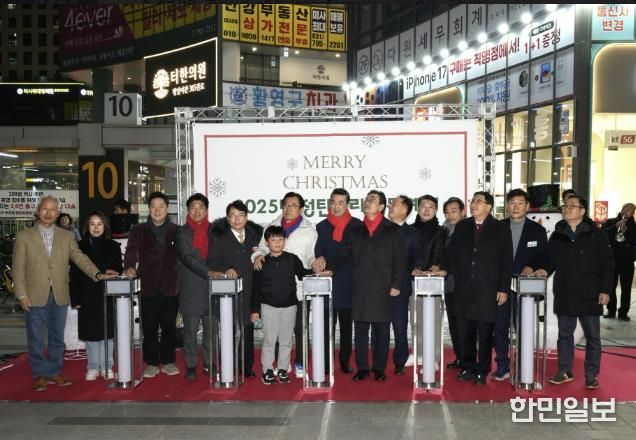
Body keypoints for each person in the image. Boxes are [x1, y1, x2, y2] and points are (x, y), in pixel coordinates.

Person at [12, 195, 116, 392]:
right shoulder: (24, 236)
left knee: (57, 337)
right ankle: (39, 374)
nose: (48, 213)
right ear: (38, 211)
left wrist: (97, 273)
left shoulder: (67, 236)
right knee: (36, 338)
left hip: (60, 294)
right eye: (45, 209)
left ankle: (54, 371)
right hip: (34, 295)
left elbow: (79, 258)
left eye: (53, 210)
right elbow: (18, 268)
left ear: (58, 213)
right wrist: (21, 294)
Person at [436, 191, 512, 385]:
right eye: (473, 201)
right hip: (463, 288)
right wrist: (442, 268)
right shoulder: (463, 226)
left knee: (485, 333)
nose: (473, 204)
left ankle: (482, 370)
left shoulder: (501, 229)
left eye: (479, 201)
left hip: (487, 289)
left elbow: (506, 261)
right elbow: (451, 253)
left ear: (489, 206)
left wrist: (503, 288)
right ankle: (467, 367)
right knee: (464, 332)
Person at [547, 195, 613, 390]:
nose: (566, 209)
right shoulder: (558, 234)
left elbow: (607, 264)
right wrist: (540, 270)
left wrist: (605, 290)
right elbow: (550, 261)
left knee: (593, 336)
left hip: (590, 292)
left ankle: (591, 375)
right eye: (565, 206)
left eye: (572, 206)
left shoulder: (596, 234)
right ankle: (564, 370)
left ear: (582, 211)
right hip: (565, 291)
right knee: (564, 335)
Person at [251, 192, 317, 378]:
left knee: (299, 330)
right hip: (271, 293)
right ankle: (277, 365)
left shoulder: (310, 230)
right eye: (286, 204)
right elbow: (260, 248)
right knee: (273, 335)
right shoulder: (271, 225)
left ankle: (300, 362)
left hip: (297, 290)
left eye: (294, 205)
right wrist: (258, 256)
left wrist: (316, 266)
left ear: (301, 209)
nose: (289, 208)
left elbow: (311, 255)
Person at [347, 190, 406, 382]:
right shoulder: (356, 229)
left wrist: (396, 284)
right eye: (366, 199)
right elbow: (344, 255)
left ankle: (379, 368)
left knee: (382, 331)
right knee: (360, 331)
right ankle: (362, 368)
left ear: (381, 207)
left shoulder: (393, 230)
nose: (367, 202)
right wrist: (328, 267)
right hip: (360, 288)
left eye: (372, 200)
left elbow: (400, 261)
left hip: (384, 287)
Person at [492, 188, 550, 381]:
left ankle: (523, 365)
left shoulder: (537, 230)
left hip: (524, 287)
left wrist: (532, 266)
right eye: (512, 203)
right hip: (500, 286)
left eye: (520, 203)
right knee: (499, 327)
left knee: (523, 327)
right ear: (507, 206)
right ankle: (502, 365)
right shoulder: (497, 227)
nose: (515, 207)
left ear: (527, 206)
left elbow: (544, 256)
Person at [124, 192, 180, 378]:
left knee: (169, 326)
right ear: (149, 209)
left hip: (171, 285)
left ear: (167, 209)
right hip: (148, 284)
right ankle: (152, 362)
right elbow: (131, 251)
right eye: (153, 207)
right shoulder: (139, 230)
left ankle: (168, 360)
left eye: (161, 206)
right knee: (149, 326)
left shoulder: (176, 230)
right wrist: (130, 267)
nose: (157, 210)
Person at [209, 200, 264, 378]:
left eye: (240, 215)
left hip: (250, 291)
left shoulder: (256, 237)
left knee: (248, 331)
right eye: (232, 215)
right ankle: (228, 365)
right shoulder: (220, 238)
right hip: (229, 293)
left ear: (246, 218)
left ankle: (246, 366)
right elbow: (213, 262)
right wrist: (226, 269)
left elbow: (263, 254)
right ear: (227, 218)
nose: (237, 219)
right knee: (229, 331)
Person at [312, 188, 362, 374]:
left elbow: (353, 252)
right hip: (327, 283)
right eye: (333, 202)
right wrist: (319, 258)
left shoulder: (357, 225)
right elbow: (319, 249)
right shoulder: (321, 226)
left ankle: (344, 361)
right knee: (326, 328)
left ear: (347, 205)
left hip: (349, 282)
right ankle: (326, 363)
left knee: (347, 328)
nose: (336, 206)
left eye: (341, 202)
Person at [70, 211, 122, 381]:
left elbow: (118, 267)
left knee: (108, 333)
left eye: (100, 224)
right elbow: (74, 275)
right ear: (87, 227)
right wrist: (76, 298)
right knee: (91, 334)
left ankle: (107, 366)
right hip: (87, 295)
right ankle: (92, 367)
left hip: (107, 294)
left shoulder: (113, 246)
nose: (96, 227)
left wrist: (114, 271)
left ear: (105, 226)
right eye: (92, 224)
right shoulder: (78, 246)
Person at [175, 193, 217, 381]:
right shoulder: (182, 232)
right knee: (190, 332)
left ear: (206, 210)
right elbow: (187, 258)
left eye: (201, 207)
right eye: (193, 207)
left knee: (211, 331)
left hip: (213, 286)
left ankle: (209, 363)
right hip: (191, 286)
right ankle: (191, 365)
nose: (197, 211)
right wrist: (209, 272)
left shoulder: (215, 230)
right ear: (188, 210)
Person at [387, 195, 422, 375]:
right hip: (377, 285)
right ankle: (378, 361)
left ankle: (400, 359)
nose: (390, 206)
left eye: (394, 204)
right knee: (378, 326)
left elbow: (417, 257)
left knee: (400, 325)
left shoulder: (412, 233)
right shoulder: (381, 229)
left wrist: (417, 267)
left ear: (404, 210)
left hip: (400, 286)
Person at [440, 196, 466, 369]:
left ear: (462, 212)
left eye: (454, 211)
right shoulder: (443, 231)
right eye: (447, 212)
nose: (450, 215)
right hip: (449, 285)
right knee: (454, 323)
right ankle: (459, 357)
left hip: (465, 285)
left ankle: (467, 359)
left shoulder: (469, 230)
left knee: (465, 325)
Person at [602, 203, 636, 321]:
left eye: (630, 210)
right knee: (610, 287)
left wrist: (627, 231)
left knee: (626, 289)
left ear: (633, 213)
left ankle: (623, 313)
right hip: (612, 260)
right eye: (626, 209)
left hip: (627, 262)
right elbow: (602, 235)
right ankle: (611, 311)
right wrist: (614, 227)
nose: (627, 212)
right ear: (621, 209)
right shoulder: (610, 222)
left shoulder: (634, 226)